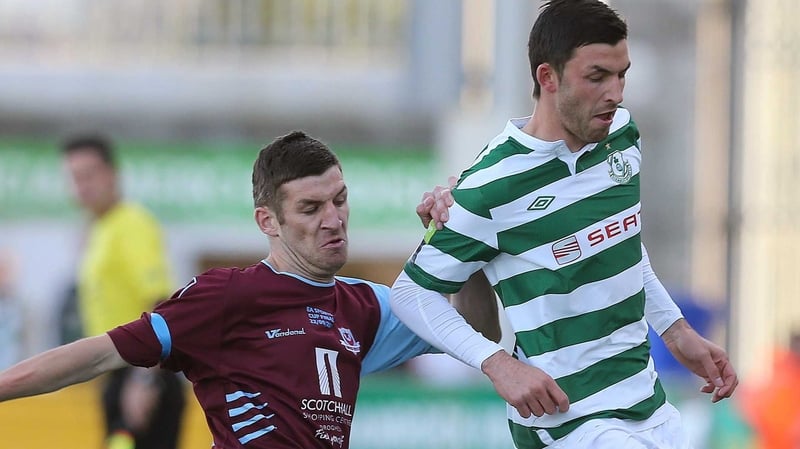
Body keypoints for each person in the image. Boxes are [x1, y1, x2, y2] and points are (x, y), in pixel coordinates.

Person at [0, 130, 499, 449]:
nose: (333, 220)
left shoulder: (365, 303)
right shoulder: (226, 297)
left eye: (340, 200)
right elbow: (95, 355)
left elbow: (476, 331)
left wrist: (466, 244)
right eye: (310, 209)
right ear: (268, 221)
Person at [389, 1, 738, 448]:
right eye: (597, 77)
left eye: (621, 75)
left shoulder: (623, 138)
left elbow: (621, 242)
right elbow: (411, 293)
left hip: (649, 407)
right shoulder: (490, 186)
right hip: (567, 425)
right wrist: (498, 363)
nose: (615, 93)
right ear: (547, 77)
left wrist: (676, 329)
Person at [61, 135, 186, 449]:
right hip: (117, 374)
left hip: (142, 375)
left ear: (112, 174)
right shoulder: (101, 229)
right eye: (74, 178)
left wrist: (144, 381)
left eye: (89, 175)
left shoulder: (132, 224)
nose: (82, 186)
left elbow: (160, 302)